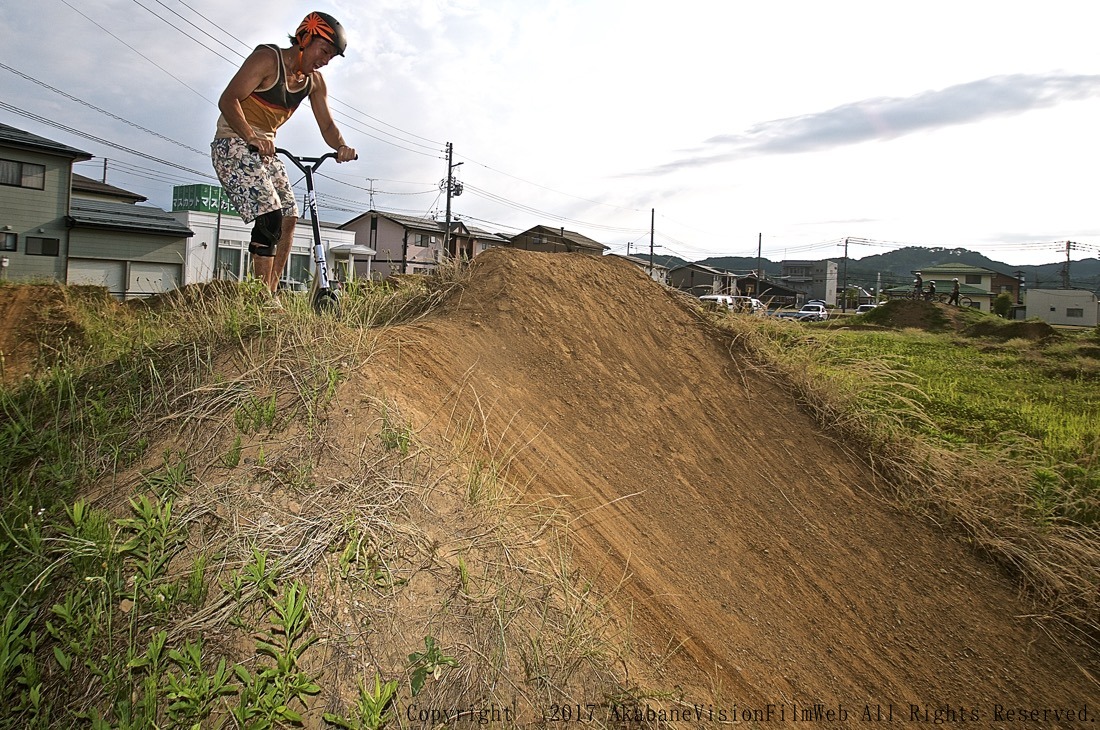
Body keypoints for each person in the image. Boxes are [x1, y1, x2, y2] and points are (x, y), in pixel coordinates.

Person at [211, 11, 357, 300]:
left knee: (290, 216)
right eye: (324, 51)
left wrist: (341, 146)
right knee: (270, 215)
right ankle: (259, 297)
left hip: (266, 150)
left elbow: (327, 124)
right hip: (233, 142)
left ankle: (270, 293)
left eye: (331, 57)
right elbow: (228, 99)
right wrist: (250, 136)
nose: (325, 61)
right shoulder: (267, 59)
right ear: (304, 38)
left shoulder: (313, 81)